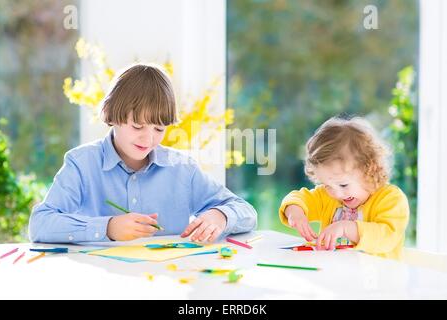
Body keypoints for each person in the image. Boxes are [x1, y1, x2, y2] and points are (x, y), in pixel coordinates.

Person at [29, 63, 257, 243]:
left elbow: (246, 211)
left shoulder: (182, 169)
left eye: (159, 129)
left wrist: (221, 216)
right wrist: (107, 228)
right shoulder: (81, 164)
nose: (148, 139)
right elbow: (40, 224)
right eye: (137, 126)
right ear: (111, 114)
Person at [279, 116, 409, 259]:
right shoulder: (328, 196)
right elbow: (298, 198)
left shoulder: (391, 199)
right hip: (336, 275)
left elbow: (387, 237)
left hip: (379, 278)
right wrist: (295, 212)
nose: (337, 193)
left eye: (343, 185)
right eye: (327, 185)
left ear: (369, 171)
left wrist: (347, 228)